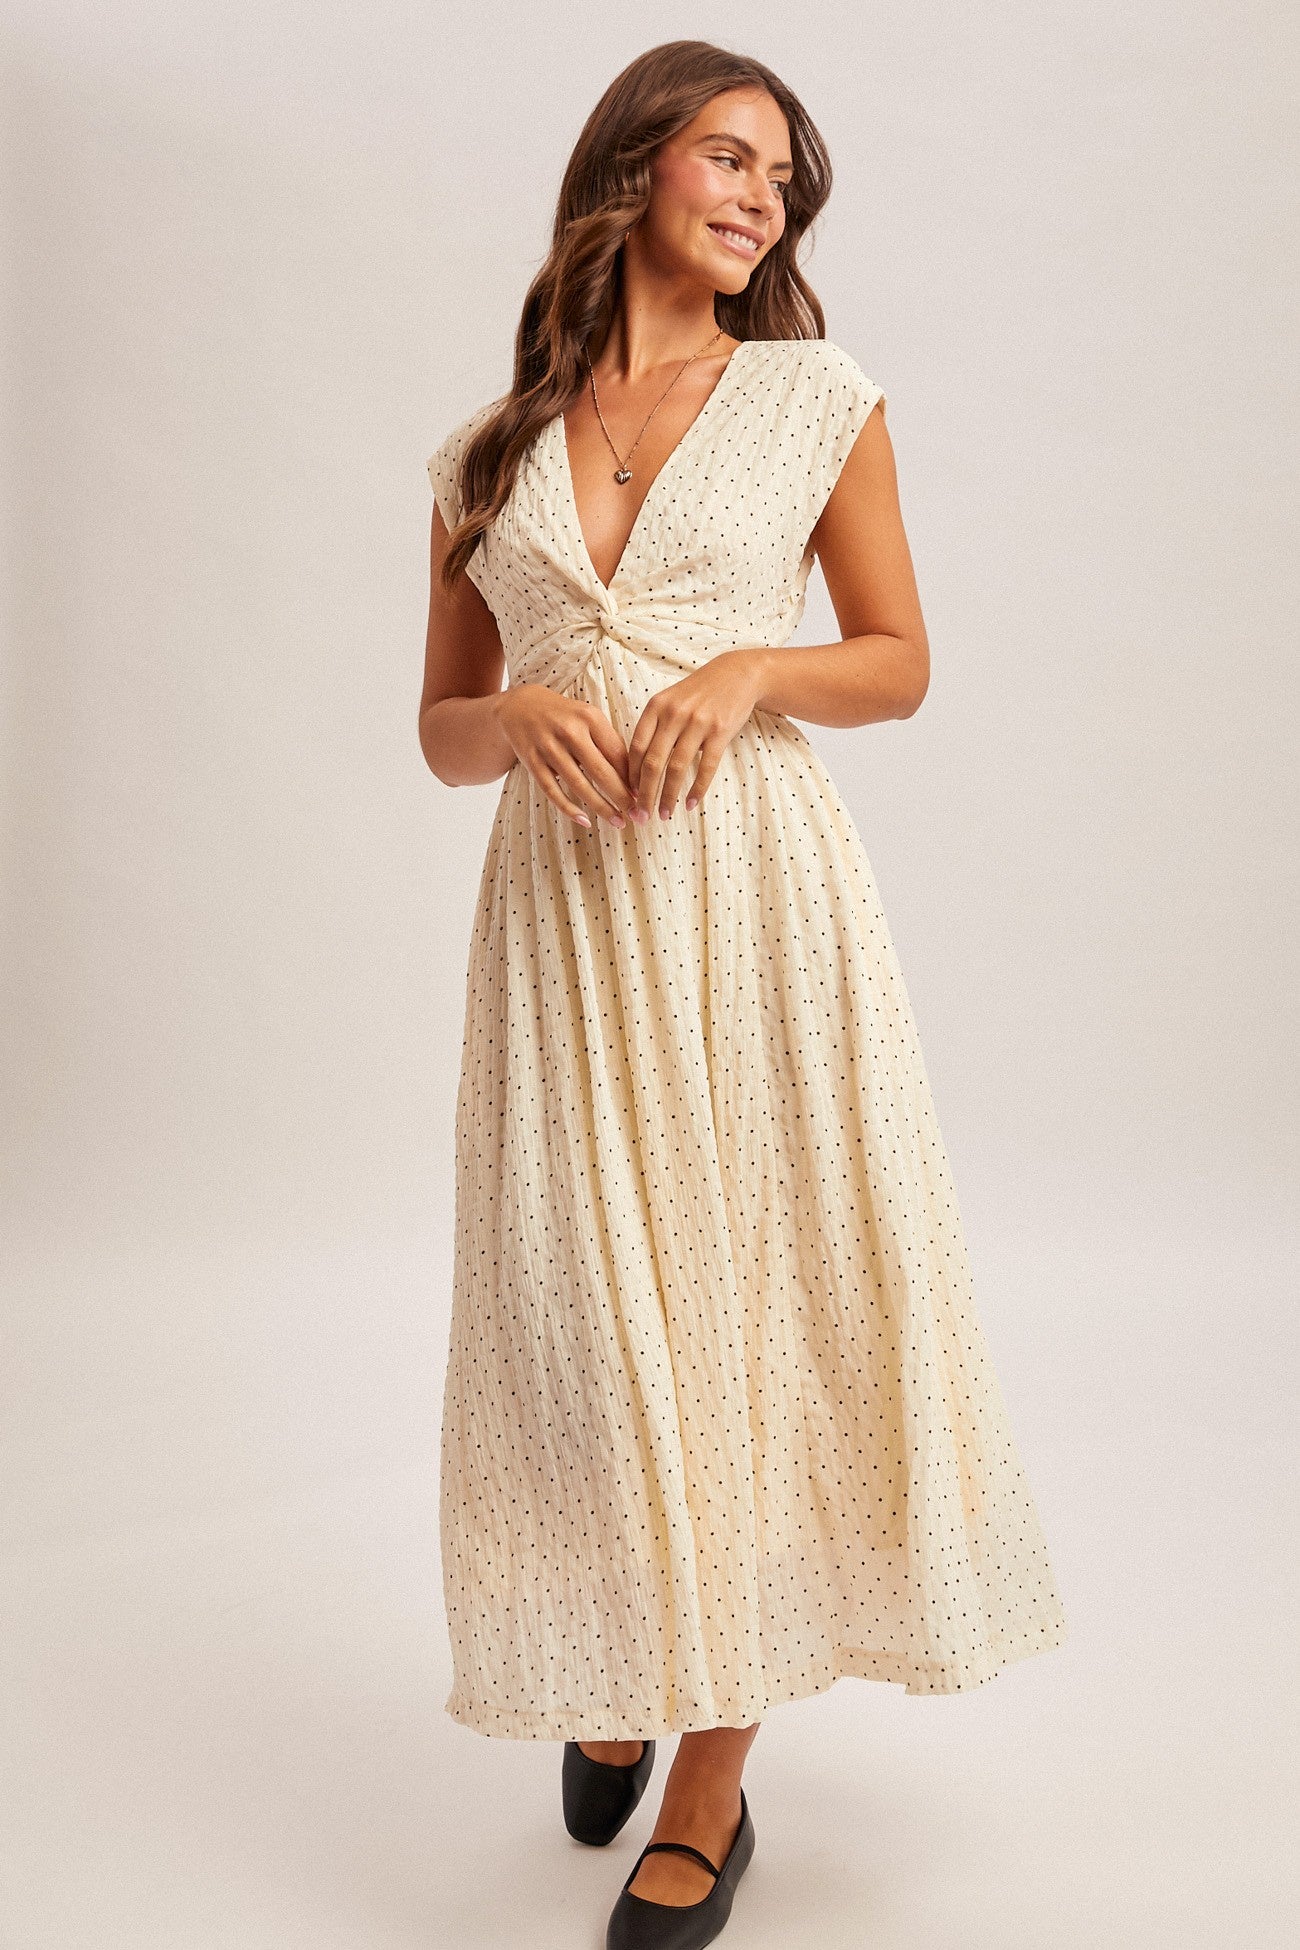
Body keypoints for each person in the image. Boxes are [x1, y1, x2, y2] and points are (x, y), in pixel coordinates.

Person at [418, 39, 1068, 1950]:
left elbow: (899, 659)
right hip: (564, 935)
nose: (762, 197)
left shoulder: (814, 399)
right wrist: (517, 710)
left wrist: (751, 673)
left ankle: (712, 1770)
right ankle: (622, 1640)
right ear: (630, 167)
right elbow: (441, 729)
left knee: (747, 1308)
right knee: (578, 1316)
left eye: (781, 177)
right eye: (730, 154)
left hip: (755, 908)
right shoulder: (486, 449)